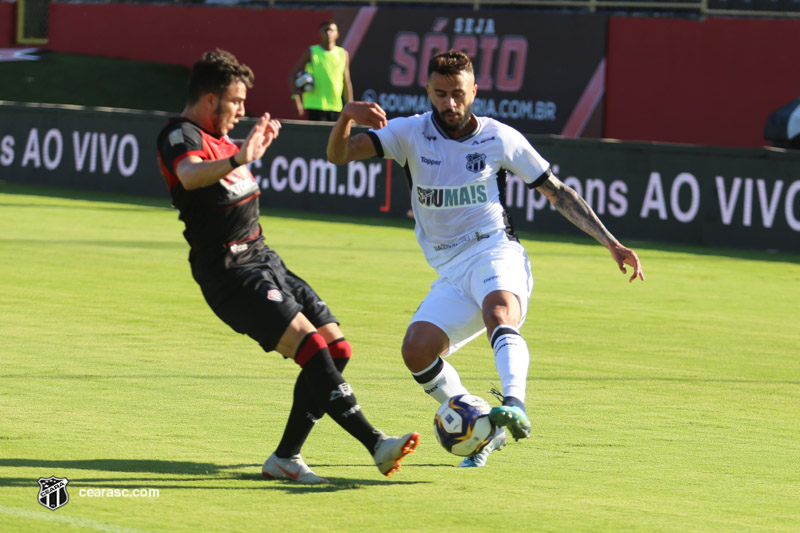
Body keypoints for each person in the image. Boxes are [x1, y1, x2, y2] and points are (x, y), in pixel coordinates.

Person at [326, 50, 644, 468]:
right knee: (416, 351)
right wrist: (346, 115)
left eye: (458, 93)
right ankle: (481, 424)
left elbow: (558, 192)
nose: (449, 103)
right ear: (428, 92)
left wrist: (611, 243)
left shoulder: (499, 138)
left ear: (474, 91)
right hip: (450, 270)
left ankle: (515, 404)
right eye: (440, 94)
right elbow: (338, 155)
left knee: (499, 312)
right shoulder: (408, 134)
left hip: (496, 250)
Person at [156, 49, 419, 484]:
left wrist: (241, 153)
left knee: (337, 349)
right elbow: (188, 175)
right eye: (235, 101)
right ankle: (376, 444)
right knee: (311, 348)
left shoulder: (226, 140)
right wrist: (240, 157)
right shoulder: (180, 135)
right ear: (208, 100)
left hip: (265, 259)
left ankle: (285, 457)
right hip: (229, 273)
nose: (241, 111)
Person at [288, 19, 353, 122]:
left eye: (331, 30)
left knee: (335, 138)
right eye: (325, 30)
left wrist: (350, 108)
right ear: (320, 33)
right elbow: (292, 74)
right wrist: (296, 98)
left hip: (336, 106)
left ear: (337, 34)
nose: (328, 33)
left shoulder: (343, 54)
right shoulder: (312, 51)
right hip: (315, 105)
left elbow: (346, 82)